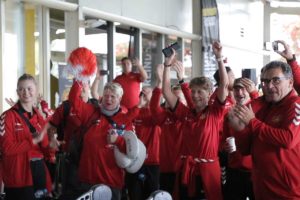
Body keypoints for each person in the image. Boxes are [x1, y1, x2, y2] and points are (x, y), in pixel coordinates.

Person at [162, 41, 228, 200]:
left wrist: (219, 58)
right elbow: (166, 92)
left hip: (208, 170)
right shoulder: (186, 113)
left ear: (209, 93)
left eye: (200, 92)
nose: (196, 95)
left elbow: (224, 84)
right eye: (193, 92)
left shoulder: (215, 112)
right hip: (187, 170)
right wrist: (167, 66)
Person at [229, 60, 300, 199]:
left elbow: (288, 139)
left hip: (287, 191)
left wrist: (252, 122)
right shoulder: (262, 106)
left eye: (275, 80)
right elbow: (245, 150)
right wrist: (240, 130)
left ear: (290, 83)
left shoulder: (296, 105)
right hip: (262, 188)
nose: (269, 86)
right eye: (265, 81)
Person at [68, 80, 141, 200]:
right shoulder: (91, 112)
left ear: (119, 98)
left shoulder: (125, 120)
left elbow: (131, 152)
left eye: (113, 96)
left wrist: (117, 140)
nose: (109, 99)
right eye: (106, 95)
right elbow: (74, 102)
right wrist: (78, 81)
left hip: (111, 181)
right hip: (87, 179)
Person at [0, 74, 52, 200]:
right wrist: (34, 140)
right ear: (17, 91)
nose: (26, 92)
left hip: (39, 174)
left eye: (29, 88)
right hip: (18, 178)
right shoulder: (7, 116)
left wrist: (52, 145)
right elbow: (6, 149)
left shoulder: (39, 117)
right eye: (21, 89)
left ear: (36, 91)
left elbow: (45, 149)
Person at [149, 64, 185, 197]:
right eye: (171, 98)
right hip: (166, 168)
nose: (174, 102)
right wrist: (159, 82)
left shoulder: (188, 116)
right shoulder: (164, 116)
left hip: (183, 169)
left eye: (178, 99)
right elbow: (153, 107)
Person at [221, 78, 256, 200]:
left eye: (243, 89)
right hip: (234, 169)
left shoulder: (258, 110)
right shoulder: (229, 114)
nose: (240, 93)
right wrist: (224, 146)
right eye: (237, 89)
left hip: (254, 171)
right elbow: (224, 139)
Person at [126, 85, 161, 200]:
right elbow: (125, 122)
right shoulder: (135, 111)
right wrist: (139, 105)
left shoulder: (156, 112)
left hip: (152, 161)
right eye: (143, 92)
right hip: (134, 161)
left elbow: (156, 114)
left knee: (152, 195)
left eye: (148, 92)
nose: (145, 94)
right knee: (134, 194)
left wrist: (152, 100)